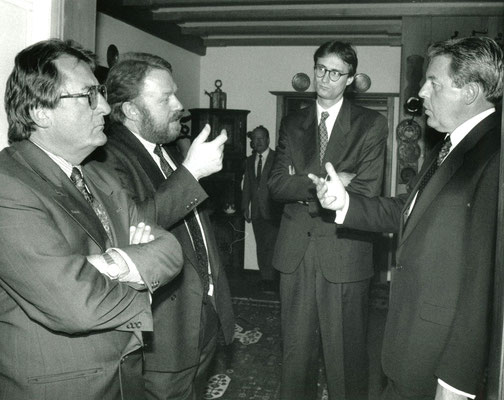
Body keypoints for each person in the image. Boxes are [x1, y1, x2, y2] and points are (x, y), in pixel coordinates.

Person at [309, 36, 503, 400]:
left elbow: (485, 282)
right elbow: (406, 211)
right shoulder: (450, 143)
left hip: (440, 360)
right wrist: (344, 203)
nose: (421, 92)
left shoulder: (494, 156)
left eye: (434, 83)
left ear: (470, 91)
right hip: (410, 343)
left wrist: (457, 379)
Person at [0, 39, 183, 400]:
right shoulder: (9, 186)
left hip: (123, 378)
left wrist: (106, 264)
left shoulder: (99, 175)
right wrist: (137, 269)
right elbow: (77, 305)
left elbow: (169, 249)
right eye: (87, 95)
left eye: (100, 92)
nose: (103, 106)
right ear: (40, 111)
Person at [94, 52, 235, 400]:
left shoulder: (169, 148)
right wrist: (192, 174)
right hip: (164, 335)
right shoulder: (106, 157)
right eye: (165, 98)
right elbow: (129, 227)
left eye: (175, 94)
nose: (180, 105)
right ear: (130, 110)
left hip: (203, 317)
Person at [267, 40, 388, 400]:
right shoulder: (293, 122)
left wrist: (301, 178)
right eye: (321, 68)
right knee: (295, 355)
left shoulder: (371, 124)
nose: (325, 78)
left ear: (350, 79)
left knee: (345, 357)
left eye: (336, 72)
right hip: (295, 251)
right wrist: (331, 182)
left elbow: (366, 189)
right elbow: (275, 184)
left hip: (344, 250)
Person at [242, 125, 282, 292]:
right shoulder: (250, 161)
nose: (256, 142)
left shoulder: (278, 158)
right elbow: (248, 186)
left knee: (272, 246)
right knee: (261, 245)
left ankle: (272, 279)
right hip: (257, 211)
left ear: (267, 140)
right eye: (254, 139)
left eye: (260, 139)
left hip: (273, 211)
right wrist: (245, 206)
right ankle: (266, 278)